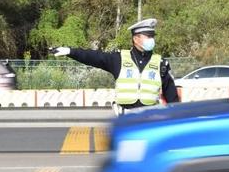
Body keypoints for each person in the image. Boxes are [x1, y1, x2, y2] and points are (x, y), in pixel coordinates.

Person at [51, 18, 179, 111]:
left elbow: (171, 95)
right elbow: (94, 57)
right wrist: (70, 51)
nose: (151, 40)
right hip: (125, 118)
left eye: (152, 36)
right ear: (135, 39)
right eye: (147, 36)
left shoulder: (161, 63)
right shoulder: (119, 59)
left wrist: (176, 117)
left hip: (150, 120)